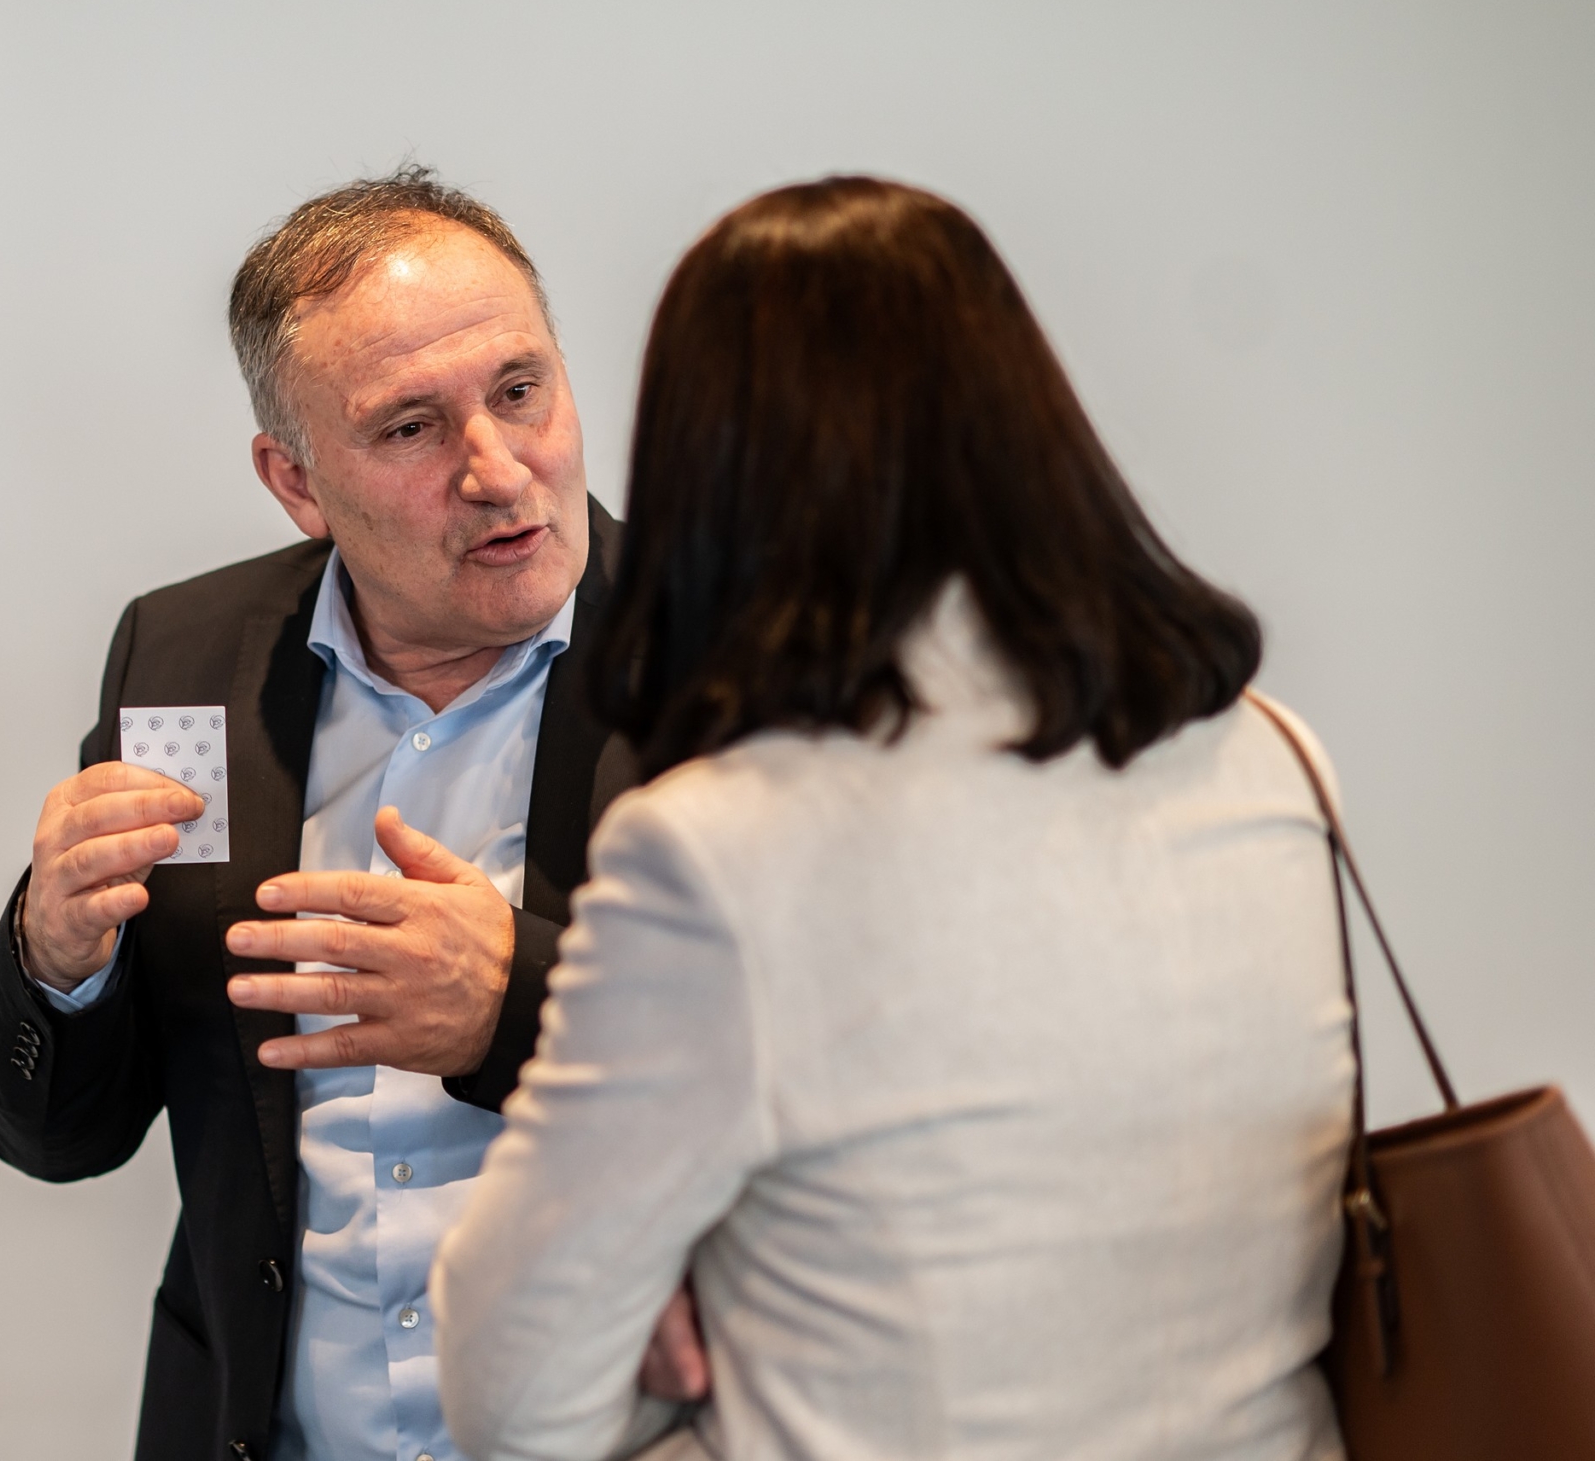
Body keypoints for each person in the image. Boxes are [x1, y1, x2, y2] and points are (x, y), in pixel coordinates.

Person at [432, 177, 1357, 1461]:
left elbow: (513, 1398)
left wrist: (692, 1324)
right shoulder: (1272, 757)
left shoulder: (718, 850)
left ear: (716, 468)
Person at [0, 166, 640, 1461]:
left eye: (519, 390)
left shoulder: (737, 657)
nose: (498, 469)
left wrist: (517, 1003)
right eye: (411, 428)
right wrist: (54, 957)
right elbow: (58, 1134)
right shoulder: (181, 655)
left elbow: (837, 1065)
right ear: (296, 478)